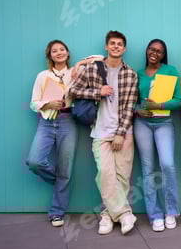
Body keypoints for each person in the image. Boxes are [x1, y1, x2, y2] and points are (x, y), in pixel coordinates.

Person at [69, 30, 138, 235]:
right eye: (112, 43)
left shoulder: (130, 74)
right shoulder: (93, 69)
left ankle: (107, 216)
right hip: (99, 131)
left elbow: (129, 107)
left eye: (120, 44)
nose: (116, 46)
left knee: (122, 177)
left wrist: (120, 132)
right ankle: (125, 214)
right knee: (105, 174)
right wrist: (96, 92)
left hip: (123, 132)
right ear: (106, 47)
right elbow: (73, 91)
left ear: (124, 49)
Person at [26, 40, 102, 227]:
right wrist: (47, 104)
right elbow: (33, 103)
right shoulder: (42, 76)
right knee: (34, 161)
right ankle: (59, 181)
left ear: (68, 53)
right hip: (46, 122)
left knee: (65, 168)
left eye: (62, 50)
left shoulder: (76, 72)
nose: (58, 53)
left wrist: (79, 64)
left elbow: (100, 59)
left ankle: (57, 213)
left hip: (68, 121)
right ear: (50, 56)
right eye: (54, 51)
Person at [134, 39, 181, 232]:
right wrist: (138, 110)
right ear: (147, 51)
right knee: (147, 169)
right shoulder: (137, 74)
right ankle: (155, 215)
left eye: (159, 51)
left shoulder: (170, 71)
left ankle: (171, 211)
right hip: (142, 124)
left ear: (163, 55)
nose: (155, 53)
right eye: (152, 49)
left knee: (167, 164)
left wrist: (159, 106)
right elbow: (131, 101)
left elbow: (178, 100)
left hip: (163, 123)